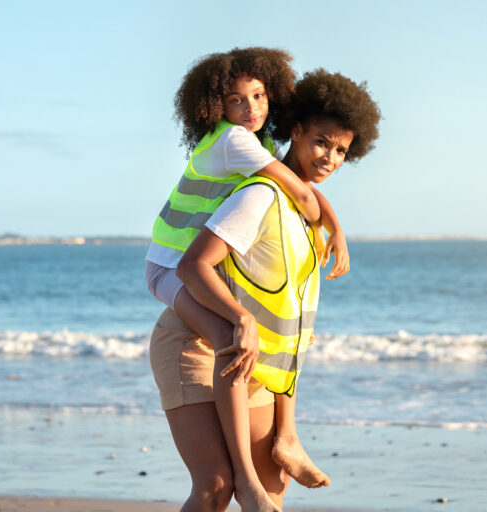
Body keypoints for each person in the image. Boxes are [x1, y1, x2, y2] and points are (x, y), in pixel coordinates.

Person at [150, 68, 381, 511]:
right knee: (217, 486)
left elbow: (293, 309)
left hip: (254, 361)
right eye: (321, 142)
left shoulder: (306, 215)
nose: (330, 158)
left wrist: (333, 226)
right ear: (296, 132)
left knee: (271, 490)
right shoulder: (259, 194)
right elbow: (192, 265)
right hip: (196, 344)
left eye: (341, 152)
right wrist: (240, 319)